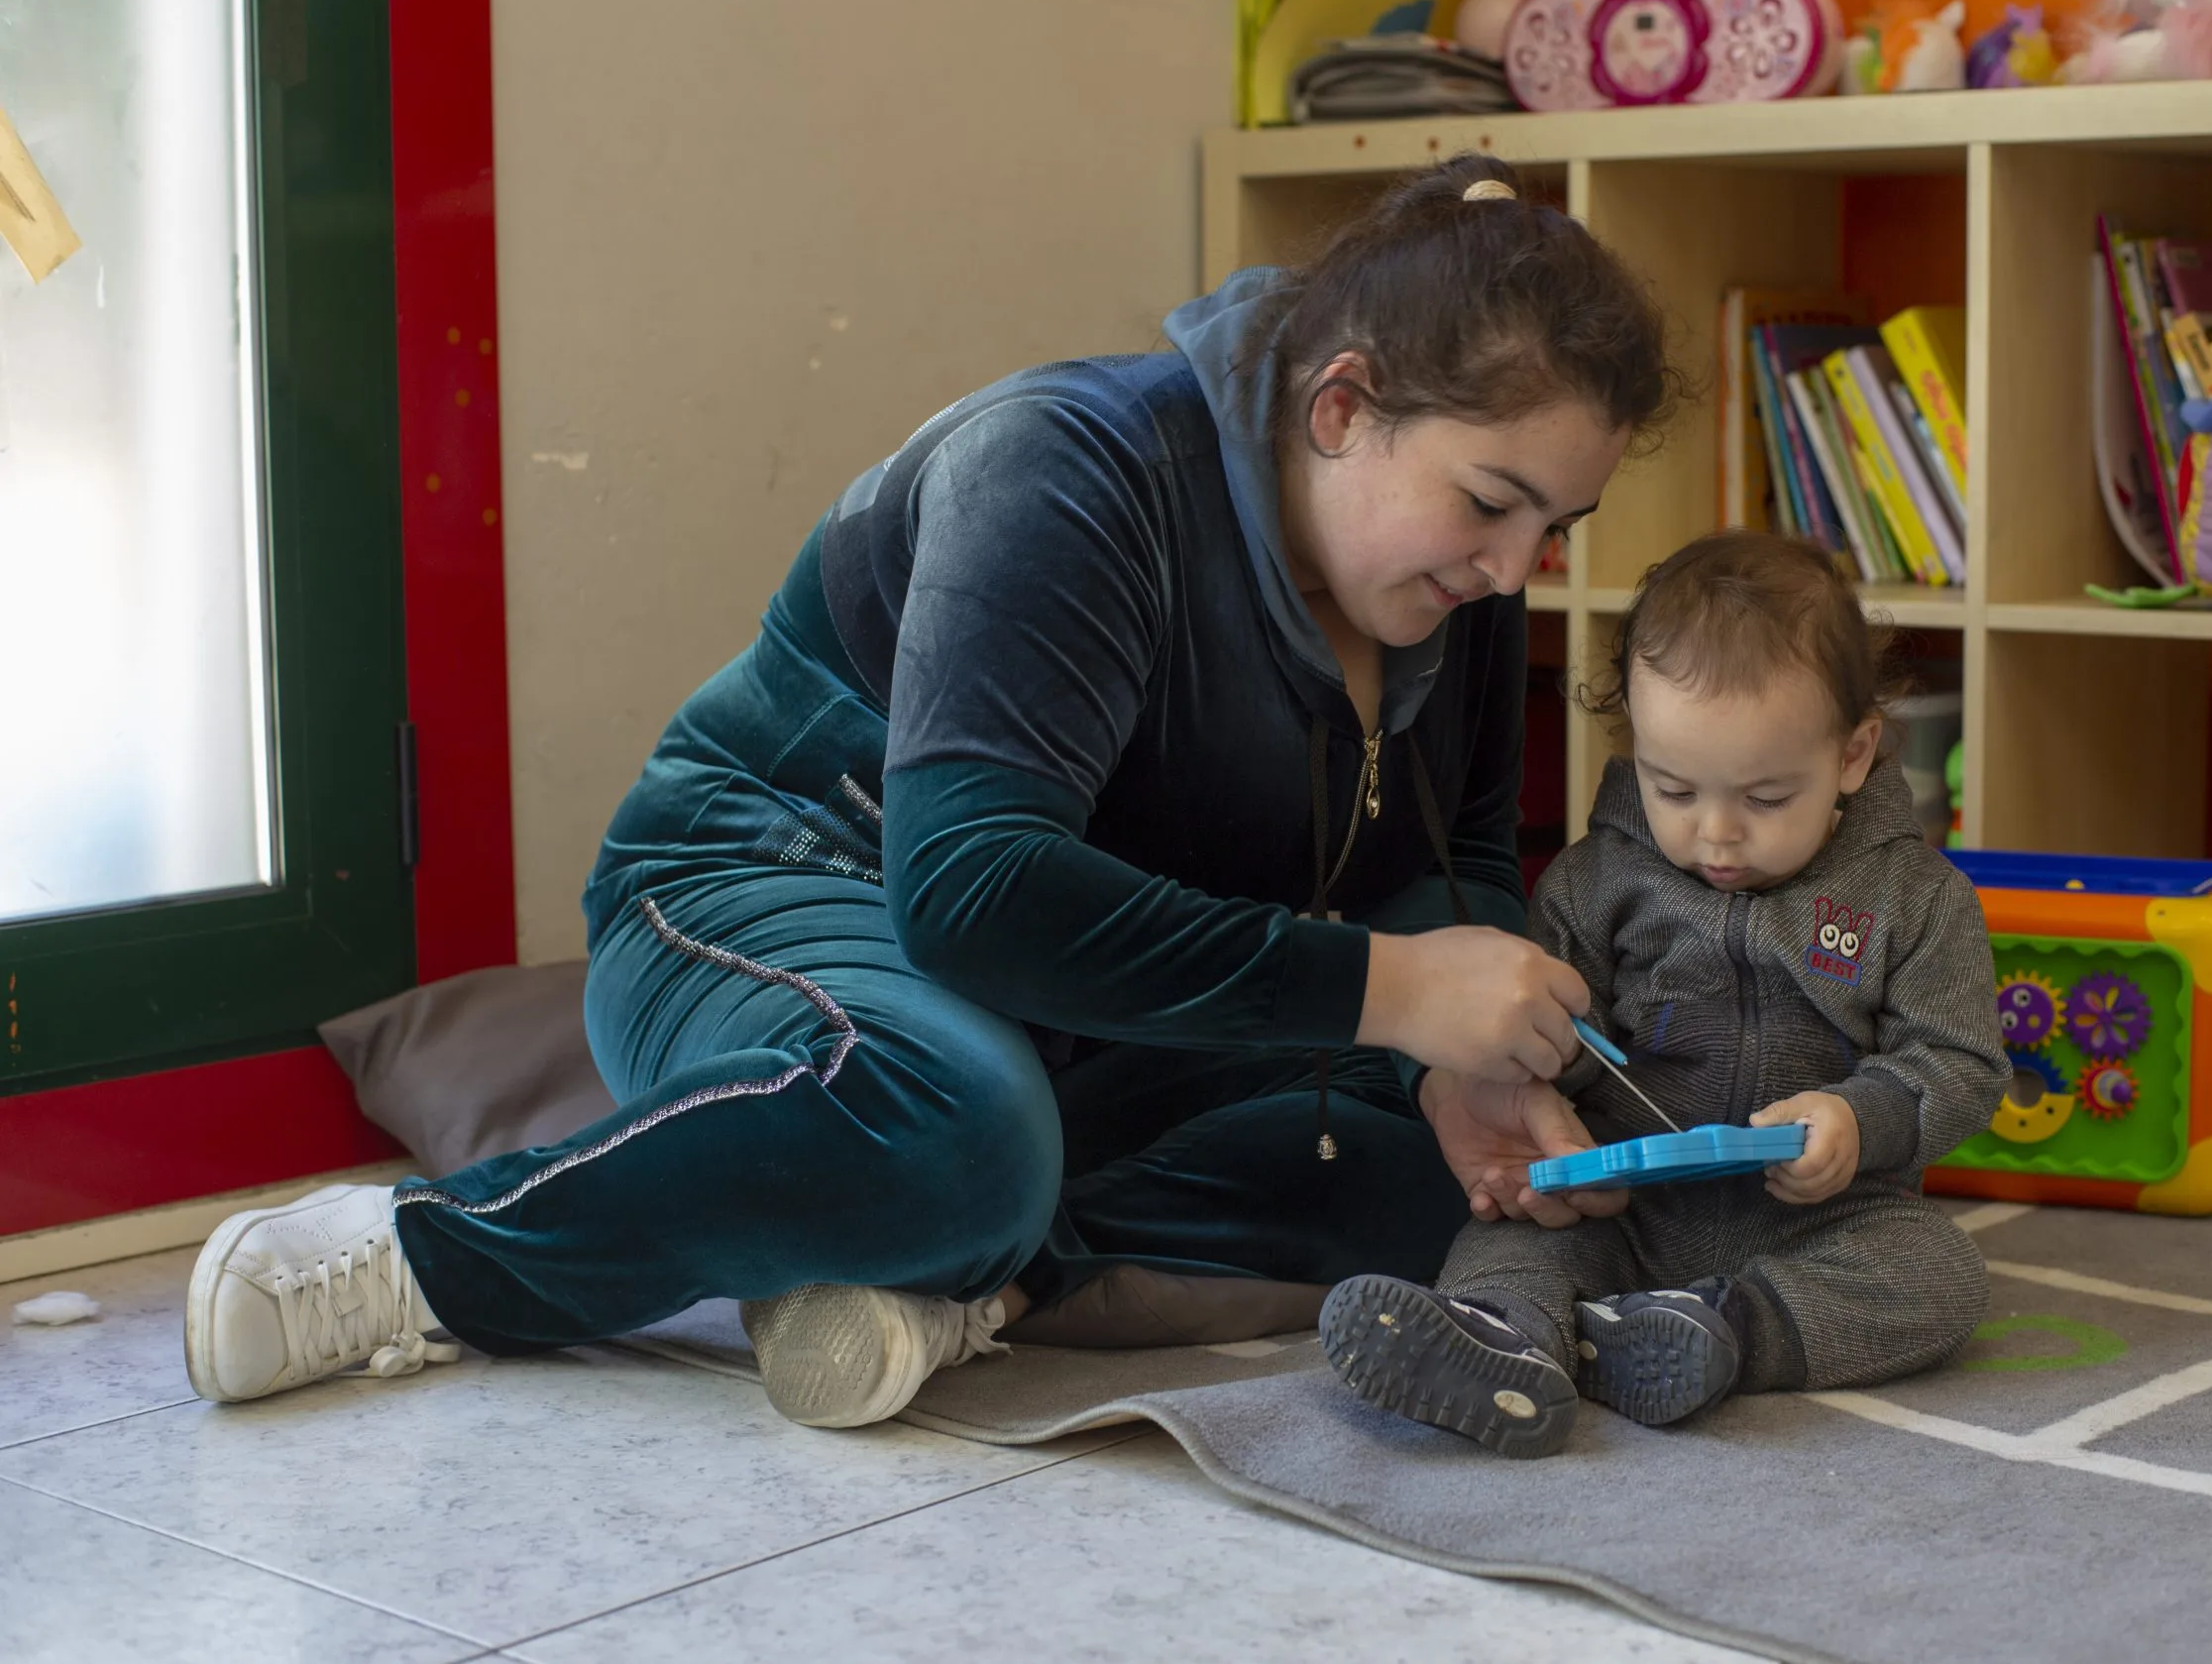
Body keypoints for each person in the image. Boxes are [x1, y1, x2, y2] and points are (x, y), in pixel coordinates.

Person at [181, 155, 1687, 1429]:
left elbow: (1449, 865)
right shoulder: (1068, 466)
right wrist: (1391, 989)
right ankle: (432, 1252)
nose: (1515, 569)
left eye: (1554, 525)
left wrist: (1457, 1066)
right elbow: (972, 893)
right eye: (1492, 502)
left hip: (1082, 998)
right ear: (1342, 406)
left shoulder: (1454, 591)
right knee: (958, 1123)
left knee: (1440, 1184)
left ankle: (951, 1281)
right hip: (780, 883)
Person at [1318, 531, 2011, 1457]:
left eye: (1766, 798)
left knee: (1942, 1273)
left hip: (1821, 1218)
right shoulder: (1595, 881)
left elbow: (1960, 1063)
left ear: (1853, 755)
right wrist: (1557, 1056)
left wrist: (1862, 1118)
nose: (1716, 834)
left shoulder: (1915, 898)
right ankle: (1501, 1335)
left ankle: (1720, 1331)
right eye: (1674, 788)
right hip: (1624, 1212)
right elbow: (1537, 1050)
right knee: (1511, 1232)